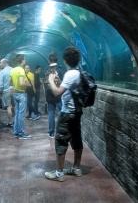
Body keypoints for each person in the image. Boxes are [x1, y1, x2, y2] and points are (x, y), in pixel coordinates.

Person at [44, 46, 83, 182]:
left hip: (67, 114)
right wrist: (59, 82)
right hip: (77, 112)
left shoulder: (69, 73)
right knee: (77, 140)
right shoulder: (79, 72)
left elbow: (57, 92)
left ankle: (59, 174)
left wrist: (50, 81)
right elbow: (67, 89)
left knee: (61, 141)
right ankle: (76, 168)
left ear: (65, 60)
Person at [9, 54, 32, 139]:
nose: (25, 61)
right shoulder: (21, 70)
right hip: (21, 93)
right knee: (21, 114)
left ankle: (16, 132)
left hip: (15, 93)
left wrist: (12, 89)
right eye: (24, 59)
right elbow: (22, 82)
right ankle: (21, 133)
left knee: (17, 114)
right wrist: (28, 84)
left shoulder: (12, 70)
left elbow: (10, 82)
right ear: (22, 61)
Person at [44, 53, 64, 138]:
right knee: (61, 113)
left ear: (49, 60)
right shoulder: (60, 70)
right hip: (58, 94)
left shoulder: (46, 70)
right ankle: (61, 131)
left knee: (51, 113)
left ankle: (51, 133)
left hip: (49, 95)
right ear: (57, 60)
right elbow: (63, 82)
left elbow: (45, 83)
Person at [0, 58, 13, 127]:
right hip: (14, 90)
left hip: (6, 91)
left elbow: (0, 84)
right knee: (14, 106)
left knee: (8, 107)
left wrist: (0, 92)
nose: (0, 64)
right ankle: (16, 120)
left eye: (1, 63)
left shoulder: (2, 72)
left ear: (5, 63)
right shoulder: (13, 69)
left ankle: (10, 122)